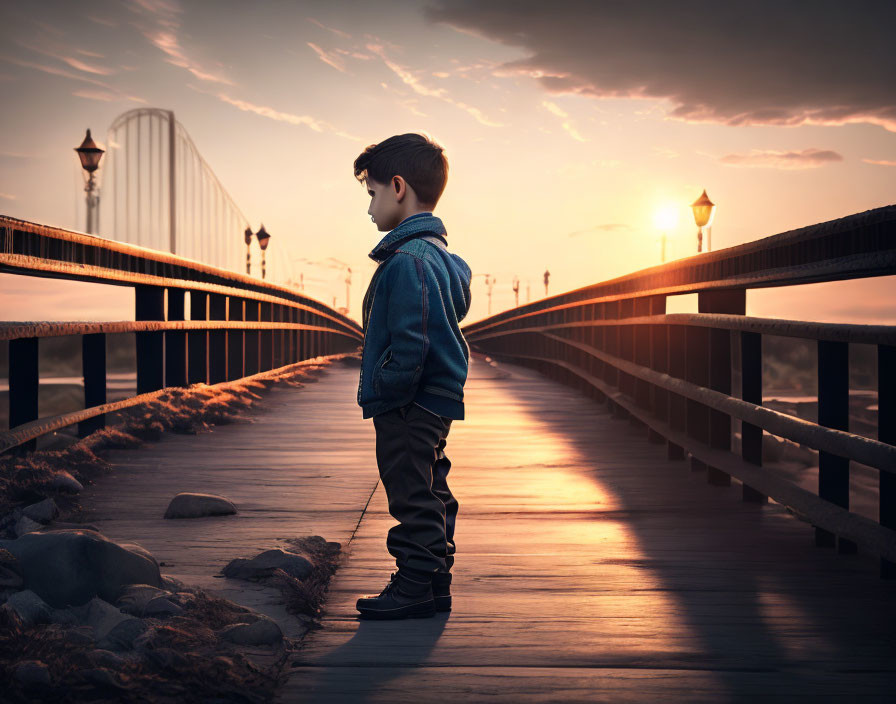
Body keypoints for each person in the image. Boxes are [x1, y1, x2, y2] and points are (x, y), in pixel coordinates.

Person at [352, 133, 472, 619]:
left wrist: (388, 388)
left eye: (372, 194)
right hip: (436, 400)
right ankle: (435, 579)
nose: (369, 210)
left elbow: (412, 340)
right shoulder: (444, 258)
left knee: (410, 490)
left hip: (409, 401)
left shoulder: (407, 262)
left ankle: (415, 584)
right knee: (431, 485)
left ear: (397, 187)